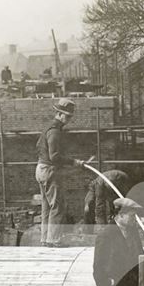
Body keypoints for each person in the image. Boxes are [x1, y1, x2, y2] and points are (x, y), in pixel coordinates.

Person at [36, 98, 94, 247]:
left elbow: (38, 146)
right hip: (49, 170)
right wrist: (74, 162)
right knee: (57, 206)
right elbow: (54, 156)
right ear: (59, 114)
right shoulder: (55, 131)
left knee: (47, 206)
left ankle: (45, 239)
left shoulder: (48, 128)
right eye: (66, 116)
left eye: (70, 117)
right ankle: (53, 240)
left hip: (41, 169)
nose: (68, 120)